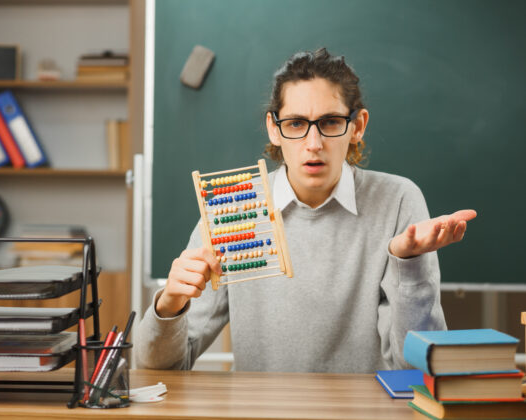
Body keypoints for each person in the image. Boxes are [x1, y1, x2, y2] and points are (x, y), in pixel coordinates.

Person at [135, 48, 476, 373]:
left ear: (357, 127)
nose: (314, 144)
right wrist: (169, 305)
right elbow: (160, 368)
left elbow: (415, 367)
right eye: (296, 124)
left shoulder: (398, 200)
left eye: (329, 122)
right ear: (274, 128)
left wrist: (409, 266)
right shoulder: (237, 208)